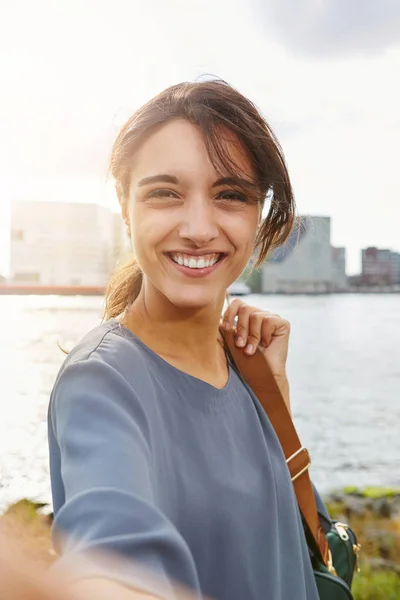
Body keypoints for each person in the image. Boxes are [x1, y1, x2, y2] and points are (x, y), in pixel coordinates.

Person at [45, 79, 331, 600]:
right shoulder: (102, 380)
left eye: (230, 195)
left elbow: (285, 544)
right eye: (164, 193)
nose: (199, 228)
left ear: (258, 213)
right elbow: (110, 550)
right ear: (124, 205)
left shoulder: (249, 364)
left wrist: (275, 397)